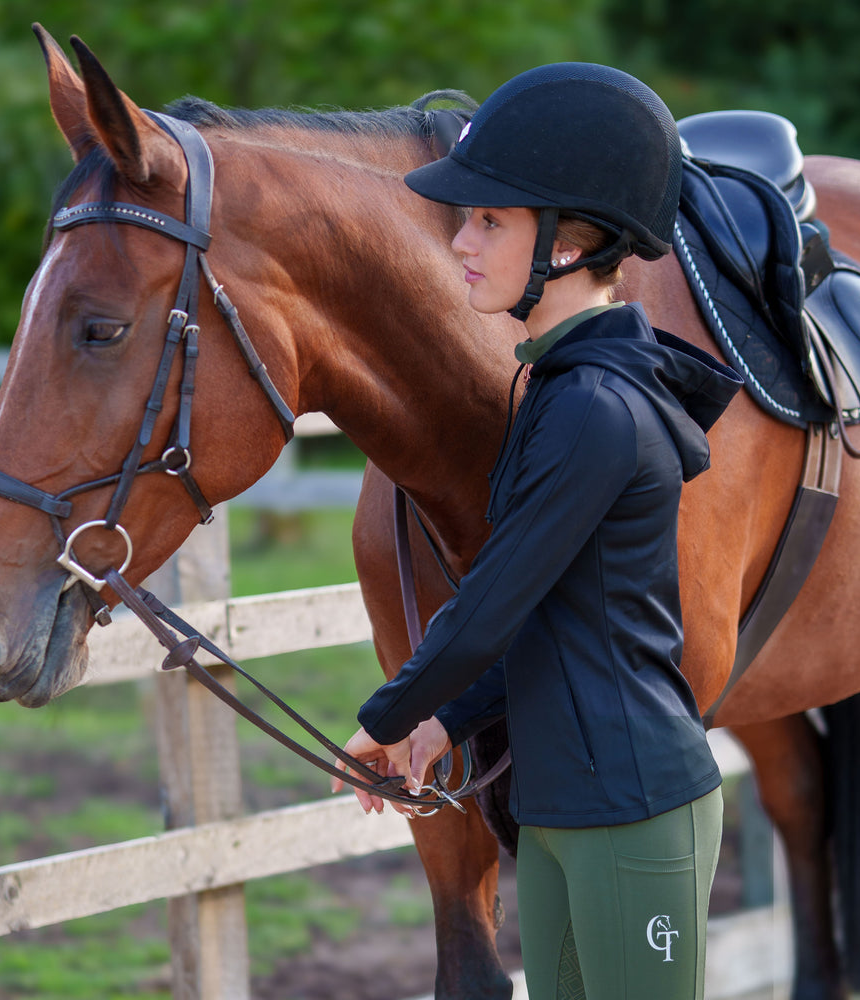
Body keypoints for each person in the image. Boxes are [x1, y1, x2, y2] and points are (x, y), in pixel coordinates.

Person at [332, 63, 744, 999]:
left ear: (571, 240)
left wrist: (387, 719)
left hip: (633, 808)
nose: (461, 243)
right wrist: (440, 721)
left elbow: (490, 603)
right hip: (558, 808)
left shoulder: (593, 407)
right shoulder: (554, 390)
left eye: (490, 221)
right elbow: (545, 621)